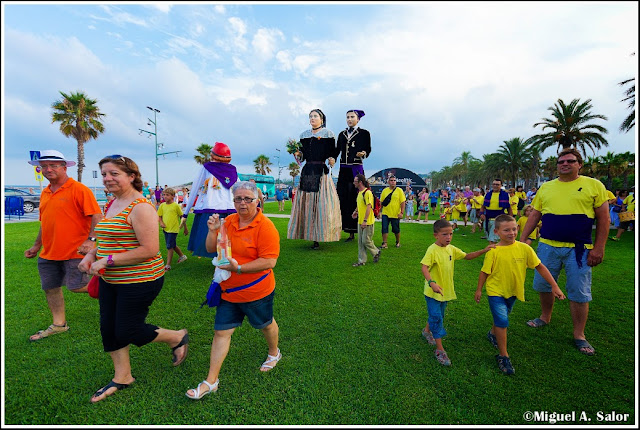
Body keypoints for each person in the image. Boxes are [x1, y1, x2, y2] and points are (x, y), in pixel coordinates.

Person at [79, 155, 189, 403]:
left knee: (128, 329)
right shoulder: (112, 203)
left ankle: (176, 336)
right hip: (111, 280)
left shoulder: (140, 207)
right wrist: (92, 255)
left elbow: (150, 249)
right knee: (109, 328)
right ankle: (123, 376)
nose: (107, 178)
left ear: (131, 176)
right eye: (104, 174)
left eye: (114, 174)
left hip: (141, 280)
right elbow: (106, 238)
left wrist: (106, 261)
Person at [185, 181, 281, 399]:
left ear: (258, 201)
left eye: (248, 199)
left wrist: (238, 268)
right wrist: (212, 231)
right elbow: (212, 249)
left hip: (256, 291)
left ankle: (274, 353)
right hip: (228, 291)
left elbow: (269, 262)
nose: (242, 203)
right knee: (221, 332)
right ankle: (211, 381)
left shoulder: (265, 227)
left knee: (265, 324)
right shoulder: (228, 221)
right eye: (238, 198)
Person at [519, 147, 609, 356]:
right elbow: (534, 215)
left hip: (579, 250)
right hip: (547, 246)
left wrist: (599, 247)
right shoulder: (547, 187)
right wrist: (523, 239)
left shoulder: (593, 185)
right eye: (561, 162)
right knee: (542, 284)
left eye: (570, 161)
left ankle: (579, 335)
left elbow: (604, 219)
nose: (565, 164)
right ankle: (545, 316)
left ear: (580, 164)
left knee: (579, 290)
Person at [25, 150, 103, 341]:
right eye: (44, 166)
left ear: (64, 167)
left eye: (53, 165)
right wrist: (36, 246)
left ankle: (112, 287)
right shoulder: (45, 192)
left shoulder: (79, 189)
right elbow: (45, 223)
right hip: (48, 253)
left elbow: (96, 215)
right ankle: (59, 324)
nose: (48, 169)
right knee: (50, 287)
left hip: (75, 251)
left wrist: (90, 240)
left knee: (76, 286)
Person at [475, 214, 565, 375]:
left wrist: (554, 286)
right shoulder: (493, 251)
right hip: (495, 291)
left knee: (502, 318)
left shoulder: (525, 248)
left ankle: (492, 333)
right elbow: (484, 272)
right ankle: (504, 356)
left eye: (514, 229)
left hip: (513, 292)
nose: (511, 233)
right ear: (496, 232)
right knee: (503, 321)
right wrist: (479, 289)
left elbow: (540, 266)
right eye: (506, 230)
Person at [421, 219, 494, 366]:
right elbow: (424, 267)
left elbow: (467, 256)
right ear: (436, 235)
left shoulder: (451, 249)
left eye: (451, 234)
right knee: (437, 317)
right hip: (432, 292)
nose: (448, 237)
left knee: (438, 315)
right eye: (444, 234)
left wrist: (484, 250)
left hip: (445, 291)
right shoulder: (432, 250)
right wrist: (432, 283)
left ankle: (426, 331)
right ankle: (440, 349)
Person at [287, 109, 342, 250]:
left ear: (322, 119)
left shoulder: (328, 134)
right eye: (310, 116)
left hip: (321, 173)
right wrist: (297, 153)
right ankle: (309, 235)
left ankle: (321, 235)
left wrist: (332, 159)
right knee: (308, 204)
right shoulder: (304, 135)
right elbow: (302, 157)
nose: (312, 118)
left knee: (321, 205)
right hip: (308, 172)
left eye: (315, 116)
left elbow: (333, 152)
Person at [180, 142, 237, 258]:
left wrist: (185, 214)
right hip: (229, 208)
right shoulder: (232, 170)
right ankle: (222, 261)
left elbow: (195, 188)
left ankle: (222, 261)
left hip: (211, 208)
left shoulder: (207, 168)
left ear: (213, 155)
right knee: (227, 236)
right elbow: (237, 189)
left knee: (212, 235)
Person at [335, 109, 372, 243]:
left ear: (358, 119)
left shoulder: (364, 133)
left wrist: (364, 153)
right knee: (342, 198)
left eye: (352, 117)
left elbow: (368, 149)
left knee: (358, 198)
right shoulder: (342, 134)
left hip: (356, 168)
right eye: (348, 117)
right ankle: (346, 229)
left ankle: (360, 229)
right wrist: (331, 158)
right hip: (343, 169)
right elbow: (337, 150)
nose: (349, 119)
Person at [351, 174, 381, 266]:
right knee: (360, 243)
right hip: (360, 221)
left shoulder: (367, 193)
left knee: (365, 240)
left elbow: (369, 207)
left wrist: (365, 220)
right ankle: (361, 261)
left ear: (360, 182)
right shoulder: (359, 193)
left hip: (367, 222)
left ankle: (376, 252)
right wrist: (355, 211)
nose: (354, 183)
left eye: (355, 181)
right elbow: (360, 205)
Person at [158, 187, 189, 270]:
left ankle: (168, 265)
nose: (165, 196)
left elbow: (182, 217)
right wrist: (161, 223)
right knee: (172, 244)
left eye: (167, 195)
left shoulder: (176, 206)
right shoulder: (162, 205)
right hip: (166, 229)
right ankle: (182, 256)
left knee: (169, 247)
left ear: (173, 196)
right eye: (164, 195)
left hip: (173, 229)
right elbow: (159, 216)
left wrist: (185, 228)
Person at [479, 179, 512, 244]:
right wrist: (481, 214)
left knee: (492, 239)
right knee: (490, 237)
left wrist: (510, 220)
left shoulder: (505, 195)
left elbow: (509, 208)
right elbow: (483, 206)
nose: (495, 186)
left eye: (497, 184)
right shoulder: (488, 195)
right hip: (488, 219)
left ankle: (493, 252)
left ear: (501, 185)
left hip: (499, 219)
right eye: (494, 184)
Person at [379, 176, 406, 248]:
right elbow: (381, 202)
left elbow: (403, 202)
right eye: (391, 180)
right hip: (386, 213)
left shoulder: (399, 190)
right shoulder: (385, 191)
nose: (393, 182)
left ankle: (398, 242)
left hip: (395, 214)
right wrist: (379, 212)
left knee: (396, 229)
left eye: (394, 180)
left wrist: (401, 212)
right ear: (388, 182)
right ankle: (384, 243)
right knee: (384, 228)